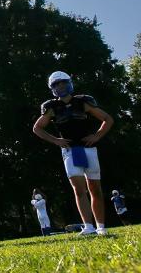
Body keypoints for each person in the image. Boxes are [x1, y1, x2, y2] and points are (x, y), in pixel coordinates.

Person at [33, 71, 114, 236]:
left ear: (68, 83)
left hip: (88, 148)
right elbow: (37, 128)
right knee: (78, 190)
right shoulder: (51, 107)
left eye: (62, 83)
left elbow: (108, 119)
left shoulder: (83, 101)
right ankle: (88, 226)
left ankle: (100, 226)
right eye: (56, 85)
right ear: (52, 88)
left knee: (95, 188)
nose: (60, 87)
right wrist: (56, 140)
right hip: (70, 151)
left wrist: (97, 135)